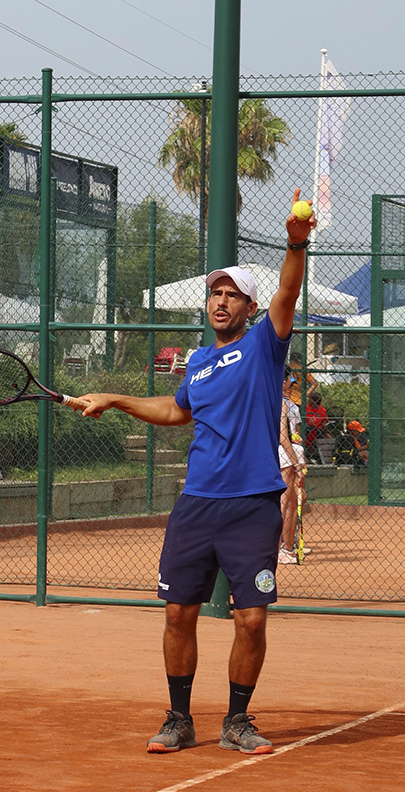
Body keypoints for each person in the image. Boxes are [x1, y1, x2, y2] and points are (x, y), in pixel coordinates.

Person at [79, 191, 316, 756]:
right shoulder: (200, 362)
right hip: (197, 504)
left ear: (250, 309)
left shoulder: (265, 344)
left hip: (253, 505)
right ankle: (179, 718)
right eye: (215, 292)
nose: (221, 301)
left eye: (233, 295)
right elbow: (177, 411)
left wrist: (296, 243)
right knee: (178, 613)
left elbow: (288, 290)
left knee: (251, 620)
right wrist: (113, 398)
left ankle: (236, 720)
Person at [278, 387, 306, 565]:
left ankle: (285, 547)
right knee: (286, 502)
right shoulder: (283, 404)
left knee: (293, 500)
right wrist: (297, 463)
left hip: (263, 452)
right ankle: (284, 548)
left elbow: (292, 433)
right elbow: (283, 436)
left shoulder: (257, 396)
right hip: (285, 453)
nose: (291, 384)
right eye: (289, 379)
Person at [305, 390, 330, 461]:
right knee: (309, 434)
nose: (308, 401)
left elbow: (325, 422)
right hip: (308, 428)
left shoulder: (322, 410)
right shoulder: (306, 408)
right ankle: (311, 455)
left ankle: (321, 457)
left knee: (324, 436)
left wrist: (323, 426)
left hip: (319, 430)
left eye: (310, 399)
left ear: (315, 401)